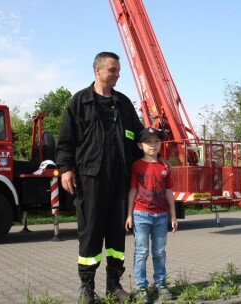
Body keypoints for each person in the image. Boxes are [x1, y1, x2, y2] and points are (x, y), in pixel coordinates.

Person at [56, 51, 144, 304]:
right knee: (91, 231)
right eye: (112, 70)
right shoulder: (79, 101)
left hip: (120, 178)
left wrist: (152, 139)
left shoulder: (124, 103)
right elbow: (66, 140)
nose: (117, 75)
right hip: (90, 178)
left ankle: (114, 285)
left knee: (117, 234)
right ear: (97, 70)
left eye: (118, 71)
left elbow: (137, 135)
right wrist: (66, 169)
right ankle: (87, 287)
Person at [125, 127, 178, 303]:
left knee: (160, 252)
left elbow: (169, 191)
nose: (153, 145)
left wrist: (173, 215)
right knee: (141, 252)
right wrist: (129, 214)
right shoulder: (137, 165)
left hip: (161, 216)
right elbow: (132, 190)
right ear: (140, 145)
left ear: (161, 144)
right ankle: (141, 287)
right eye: (148, 142)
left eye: (156, 141)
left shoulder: (165, 166)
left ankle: (160, 285)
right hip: (141, 214)